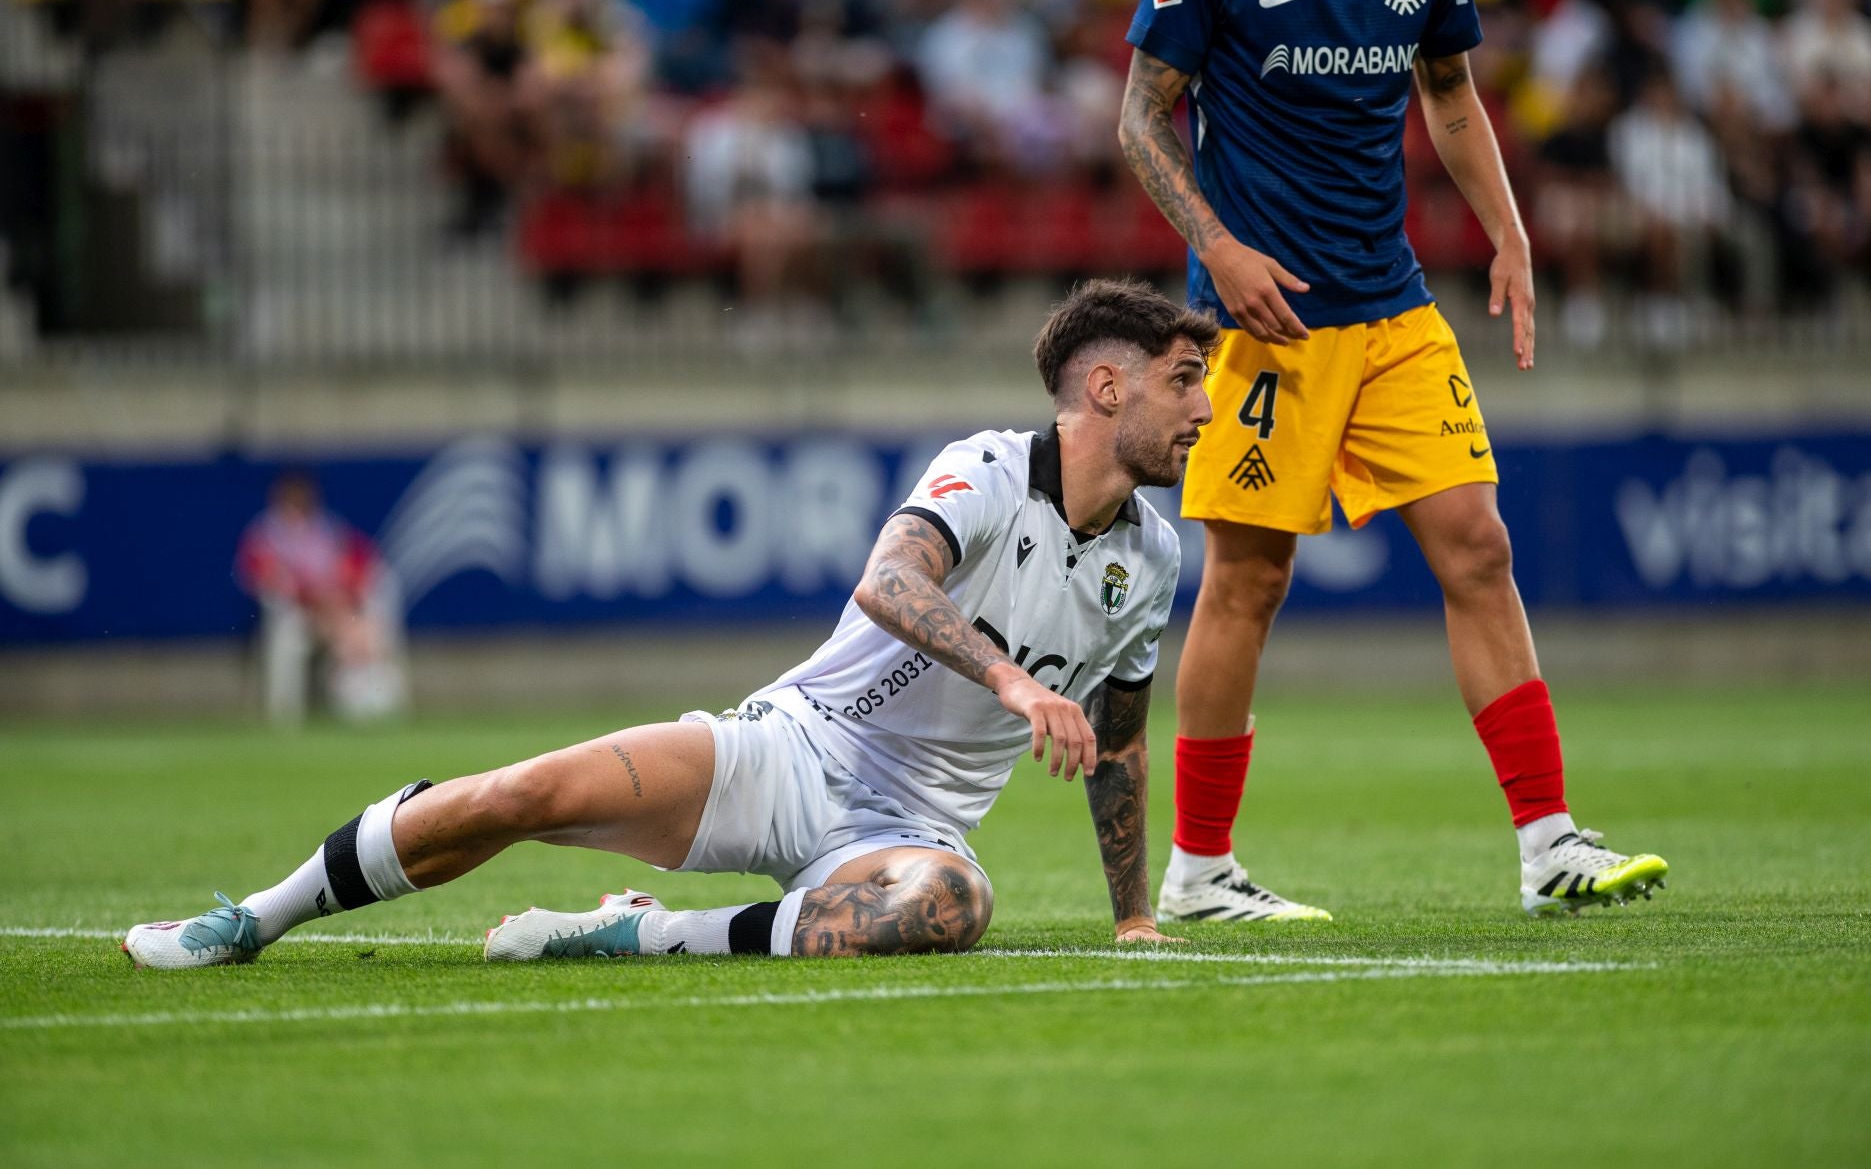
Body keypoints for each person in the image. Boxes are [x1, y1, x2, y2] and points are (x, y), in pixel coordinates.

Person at [124, 280, 1211, 967]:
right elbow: (889, 580)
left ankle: (632, 932)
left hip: (906, 828)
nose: (1204, 409)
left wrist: (1132, 917)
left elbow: (1118, 739)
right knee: (520, 795)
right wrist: (1017, 685)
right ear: (1107, 386)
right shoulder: (985, 466)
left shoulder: (1154, 553)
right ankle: (249, 920)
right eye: (1184, 381)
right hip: (792, 748)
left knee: (951, 903)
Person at [1116, 0, 1668, 921]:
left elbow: (1450, 91)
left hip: (1393, 306)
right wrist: (1218, 249)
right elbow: (1141, 116)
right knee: (1248, 579)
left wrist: (1508, 228)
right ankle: (1197, 871)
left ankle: (1550, 844)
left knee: (1479, 544)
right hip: (1262, 318)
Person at [235, 471, 406, 726]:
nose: (297, 503)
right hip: (301, 614)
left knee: (363, 630)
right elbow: (263, 577)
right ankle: (290, 713)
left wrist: (341, 599)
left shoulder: (328, 529)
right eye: (290, 497)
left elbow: (361, 567)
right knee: (316, 631)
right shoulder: (268, 535)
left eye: (302, 497)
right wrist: (314, 598)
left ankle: (372, 708)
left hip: (338, 609)